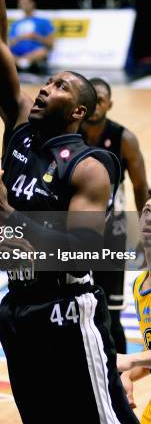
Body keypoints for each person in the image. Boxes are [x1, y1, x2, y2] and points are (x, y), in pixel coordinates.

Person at [0, 0, 145, 424]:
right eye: (46, 82)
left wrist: (6, 212)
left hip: (68, 308)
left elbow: (78, 248)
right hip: (18, 307)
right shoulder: (19, 128)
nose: (45, 88)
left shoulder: (91, 167)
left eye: (60, 86)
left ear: (80, 111)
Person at [82, 78, 149, 353]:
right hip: (77, 232)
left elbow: (140, 187)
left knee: (111, 315)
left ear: (110, 103)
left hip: (113, 234)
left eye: (101, 99)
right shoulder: (70, 135)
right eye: (92, 99)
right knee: (79, 309)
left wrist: (144, 234)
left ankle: (118, 381)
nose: (97, 105)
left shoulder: (125, 139)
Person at [117, 195, 151, 424]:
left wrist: (129, 360)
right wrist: (127, 375)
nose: (149, 219)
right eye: (146, 212)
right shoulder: (140, 285)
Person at [8, 0, 55, 72]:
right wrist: (20, 38)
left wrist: (36, 37)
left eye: (26, 3)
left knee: (43, 51)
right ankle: (21, 62)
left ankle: (23, 62)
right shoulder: (15, 24)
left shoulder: (43, 22)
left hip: (35, 54)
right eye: (21, 3)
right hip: (16, 54)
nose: (23, 5)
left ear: (32, 4)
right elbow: (9, 43)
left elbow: (51, 44)